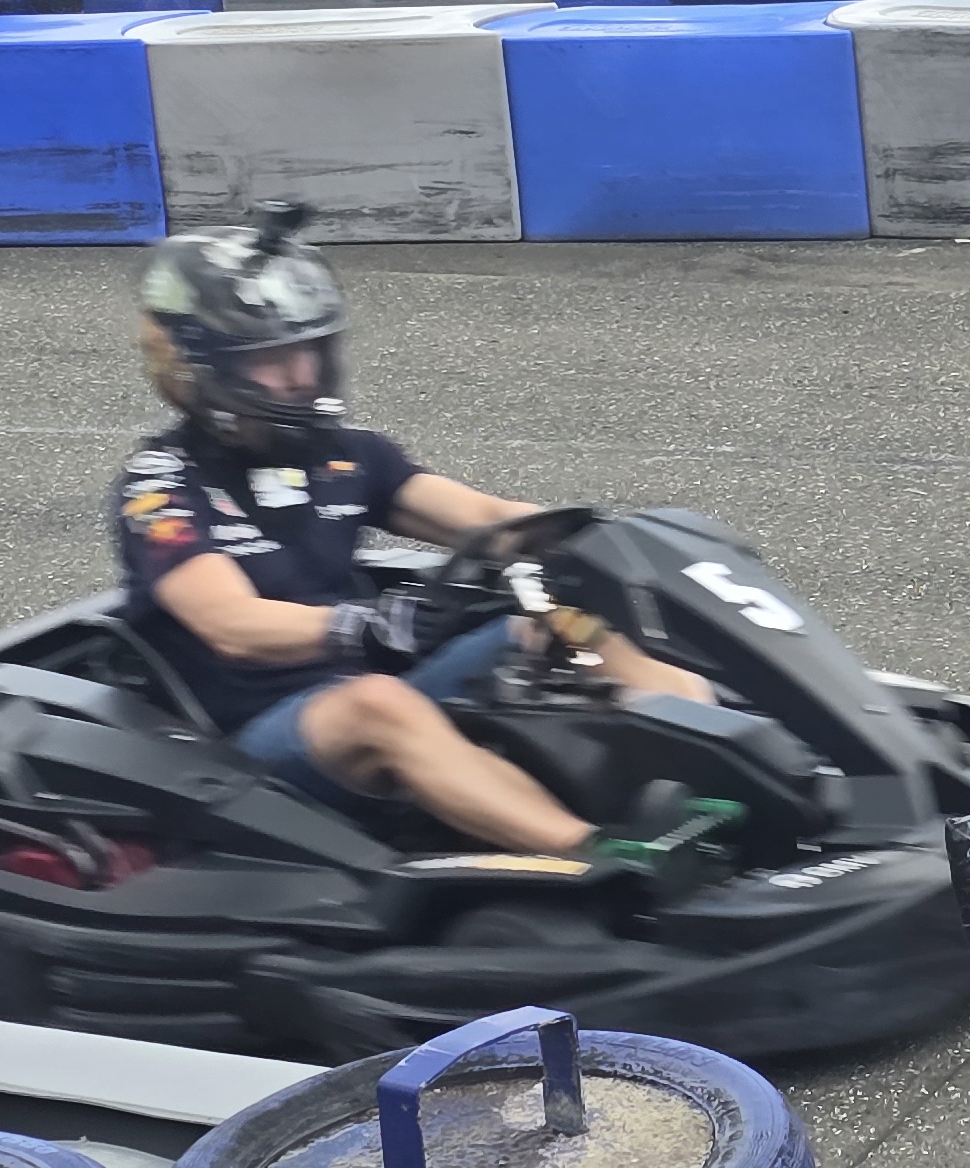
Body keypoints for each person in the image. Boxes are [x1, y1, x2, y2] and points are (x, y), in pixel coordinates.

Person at [113, 205, 713, 858]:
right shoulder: (161, 490)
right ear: (200, 368)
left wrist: (598, 543)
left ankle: (729, 762)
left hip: (384, 685)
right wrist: (371, 626)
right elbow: (232, 624)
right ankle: (605, 858)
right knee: (379, 703)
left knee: (559, 623)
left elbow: (487, 519)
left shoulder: (345, 455)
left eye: (309, 351)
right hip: (254, 746)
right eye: (273, 359)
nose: (302, 377)